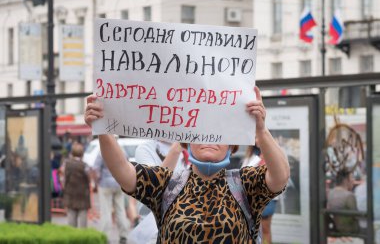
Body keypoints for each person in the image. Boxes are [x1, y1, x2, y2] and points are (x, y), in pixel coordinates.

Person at [85, 86, 290, 243]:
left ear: (232, 144)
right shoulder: (166, 184)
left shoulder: (245, 184)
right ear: (187, 140)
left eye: (219, 132)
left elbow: (280, 177)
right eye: (200, 131)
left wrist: (261, 131)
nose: (209, 138)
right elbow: (124, 172)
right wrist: (103, 129)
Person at [129, 140, 189, 244]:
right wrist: (175, 150)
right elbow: (154, 187)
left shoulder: (189, 148)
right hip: (153, 229)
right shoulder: (145, 148)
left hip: (183, 226)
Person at [93, 142, 129, 244]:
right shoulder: (122, 151)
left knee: (106, 211)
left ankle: (105, 235)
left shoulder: (102, 151)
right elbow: (127, 165)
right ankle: (124, 235)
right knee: (120, 210)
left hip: (105, 183)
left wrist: (97, 181)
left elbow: (95, 168)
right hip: (119, 183)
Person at [242, 145, 278, 244]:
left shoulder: (271, 151)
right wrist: (259, 158)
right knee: (252, 230)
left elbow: (279, 173)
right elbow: (244, 171)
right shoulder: (251, 154)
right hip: (252, 197)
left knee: (266, 228)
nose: (257, 139)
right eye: (255, 137)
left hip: (269, 196)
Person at [63, 142, 91, 228]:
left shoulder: (67, 164)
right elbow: (89, 179)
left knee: (71, 219)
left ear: (72, 153)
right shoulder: (85, 166)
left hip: (70, 195)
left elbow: (65, 179)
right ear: (82, 153)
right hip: (83, 196)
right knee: (83, 222)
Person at [327, 169, 359, 234]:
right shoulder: (349, 196)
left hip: (336, 228)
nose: (353, 180)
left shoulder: (330, 193)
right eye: (352, 177)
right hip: (350, 230)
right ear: (346, 180)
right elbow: (356, 216)